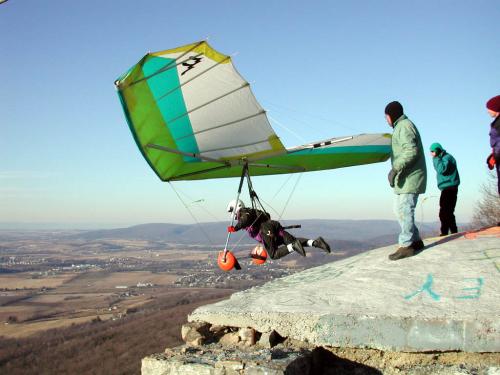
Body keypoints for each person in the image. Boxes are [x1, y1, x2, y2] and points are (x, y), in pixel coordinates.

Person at [385, 101, 427, 260]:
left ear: (392, 115)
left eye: (386, 116)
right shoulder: (400, 127)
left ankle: (406, 245)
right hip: (405, 178)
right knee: (399, 209)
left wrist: (395, 168)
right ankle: (415, 240)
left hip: (411, 177)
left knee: (405, 209)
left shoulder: (404, 126)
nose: (386, 119)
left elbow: (411, 151)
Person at [226, 199, 331, 259]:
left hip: (266, 230)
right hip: (273, 227)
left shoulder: (245, 212)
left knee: (274, 254)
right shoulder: (250, 212)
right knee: (294, 241)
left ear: (236, 208)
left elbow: (246, 219)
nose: (233, 215)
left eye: (232, 211)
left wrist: (235, 228)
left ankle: (294, 247)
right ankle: (316, 242)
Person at [429, 143, 460, 236]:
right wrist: (436, 158)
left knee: (445, 211)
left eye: (433, 151)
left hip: (450, 187)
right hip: (446, 187)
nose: (431, 154)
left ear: (438, 150)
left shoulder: (447, 158)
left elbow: (441, 169)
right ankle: (451, 231)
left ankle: (447, 232)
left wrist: (436, 158)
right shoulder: (442, 158)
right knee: (447, 211)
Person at [486, 95, 500, 195]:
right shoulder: (496, 123)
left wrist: (497, 155)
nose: (488, 111)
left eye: (489, 108)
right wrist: (493, 155)